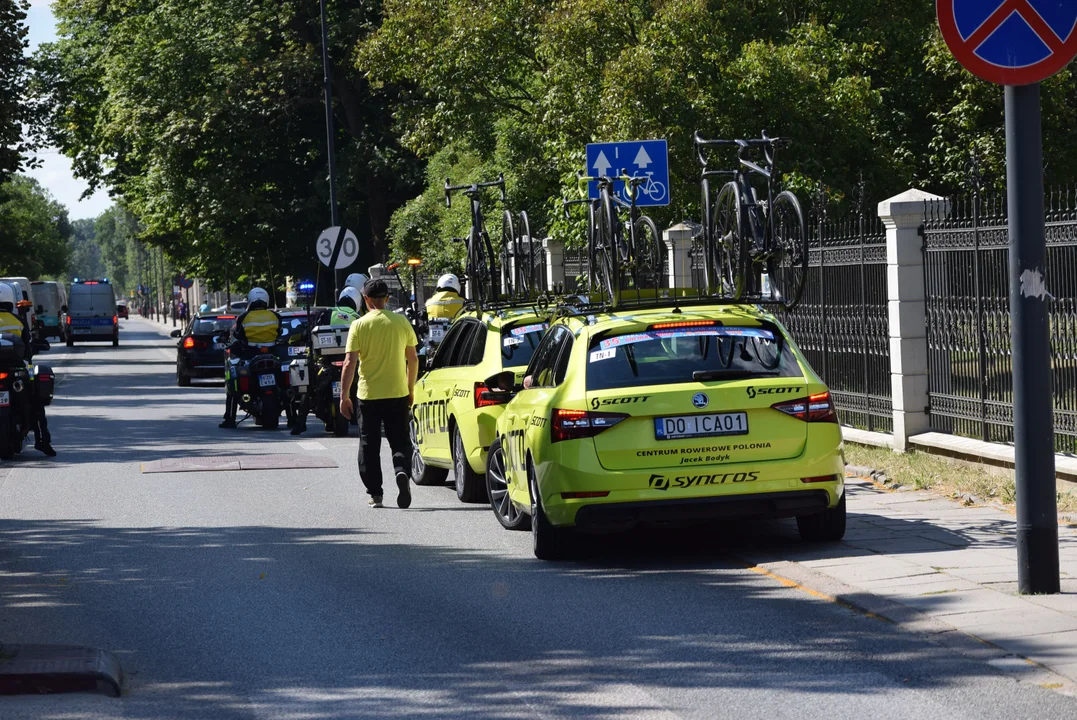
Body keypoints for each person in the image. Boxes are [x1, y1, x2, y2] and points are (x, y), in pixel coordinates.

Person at [339, 278, 418, 509]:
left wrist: (344, 396)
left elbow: (349, 362)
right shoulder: (401, 322)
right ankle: (401, 471)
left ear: (365, 299)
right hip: (397, 392)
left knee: (368, 445)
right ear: (386, 299)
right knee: (400, 440)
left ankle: (376, 494)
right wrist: (410, 388)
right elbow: (413, 358)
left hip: (368, 395)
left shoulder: (359, 325)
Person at [290, 287, 362, 436]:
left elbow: (309, 333)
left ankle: (300, 423)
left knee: (309, 388)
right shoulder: (357, 317)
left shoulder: (326, 313)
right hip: (349, 360)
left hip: (326, 361)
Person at [0, 283, 54, 456]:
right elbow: (27, 344)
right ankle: (42, 439)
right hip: (16, 369)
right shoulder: (17, 320)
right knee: (35, 400)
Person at [220, 287, 281, 428]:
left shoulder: (243, 317)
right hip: (273, 354)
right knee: (286, 381)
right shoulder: (275, 316)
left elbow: (237, 335)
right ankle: (292, 417)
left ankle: (230, 418)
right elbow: (280, 332)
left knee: (232, 382)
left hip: (251, 354)